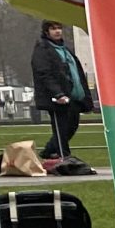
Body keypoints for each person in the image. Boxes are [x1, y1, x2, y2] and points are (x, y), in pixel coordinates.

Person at [31, 21, 93, 159]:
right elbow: (44, 74)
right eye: (53, 29)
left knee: (72, 126)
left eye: (59, 28)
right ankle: (64, 156)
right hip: (58, 99)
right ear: (46, 31)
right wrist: (58, 93)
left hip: (73, 97)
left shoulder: (65, 49)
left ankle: (48, 152)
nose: (57, 31)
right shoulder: (43, 49)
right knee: (61, 129)